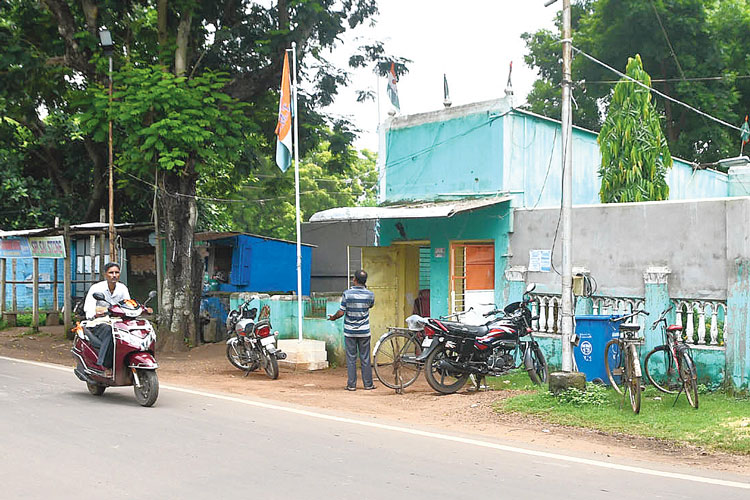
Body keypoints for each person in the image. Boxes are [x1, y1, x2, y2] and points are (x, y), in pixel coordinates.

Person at [83, 262, 144, 372]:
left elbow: (128, 304)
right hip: (98, 322)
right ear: (105, 274)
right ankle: (103, 365)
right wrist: (96, 313)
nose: (114, 275)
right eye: (111, 273)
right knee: (110, 331)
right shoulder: (96, 288)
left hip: (118, 322)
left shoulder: (122, 288)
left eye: (116, 272)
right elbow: (89, 308)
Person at [328, 269, 376, 391]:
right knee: (365, 358)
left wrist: (333, 317)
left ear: (355, 279)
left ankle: (351, 385)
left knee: (351, 358)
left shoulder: (347, 294)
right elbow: (370, 306)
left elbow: (341, 312)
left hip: (350, 331)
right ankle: (368, 384)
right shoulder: (370, 294)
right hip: (364, 331)